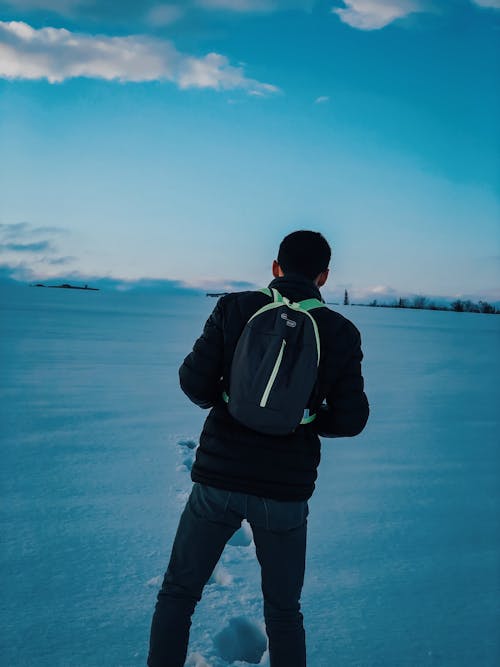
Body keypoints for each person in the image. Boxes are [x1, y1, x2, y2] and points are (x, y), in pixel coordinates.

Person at [148, 230, 369, 667]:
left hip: (217, 480)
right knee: (284, 612)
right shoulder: (341, 332)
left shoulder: (234, 307)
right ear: (323, 276)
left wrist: (229, 401)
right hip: (285, 494)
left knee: (178, 593)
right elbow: (352, 419)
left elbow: (193, 381)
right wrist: (301, 418)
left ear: (275, 268)